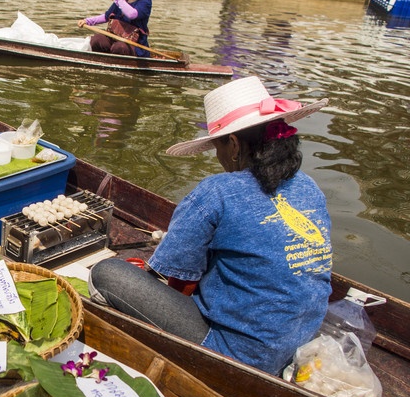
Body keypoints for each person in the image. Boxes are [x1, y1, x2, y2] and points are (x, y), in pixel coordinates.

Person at [88, 76, 333, 375]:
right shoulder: (309, 187)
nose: (218, 158)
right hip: (299, 344)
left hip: (239, 356)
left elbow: (176, 279)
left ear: (233, 144)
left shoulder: (217, 192)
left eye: (217, 147)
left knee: (106, 273)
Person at [77, 0, 153, 57]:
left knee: (119, 47)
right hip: (114, 37)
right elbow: (106, 16)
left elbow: (132, 14)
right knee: (96, 40)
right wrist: (87, 21)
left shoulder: (145, 2)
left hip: (134, 45)